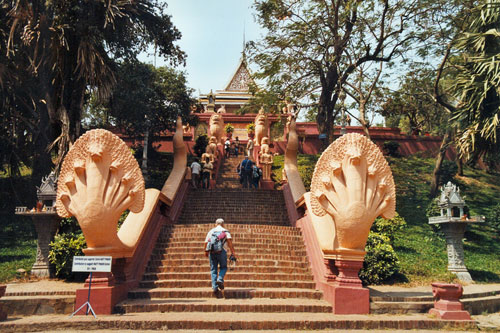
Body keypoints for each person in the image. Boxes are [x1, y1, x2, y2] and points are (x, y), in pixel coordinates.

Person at [204, 218, 237, 295]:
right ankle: (220, 279)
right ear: (223, 224)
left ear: (216, 224)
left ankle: (214, 287)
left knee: (213, 269)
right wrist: (233, 252)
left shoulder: (211, 231)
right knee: (223, 267)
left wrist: (206, 251)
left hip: (212, 252)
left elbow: (206, 242)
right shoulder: (225, 231)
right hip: (222, 251)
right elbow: (229, 242)